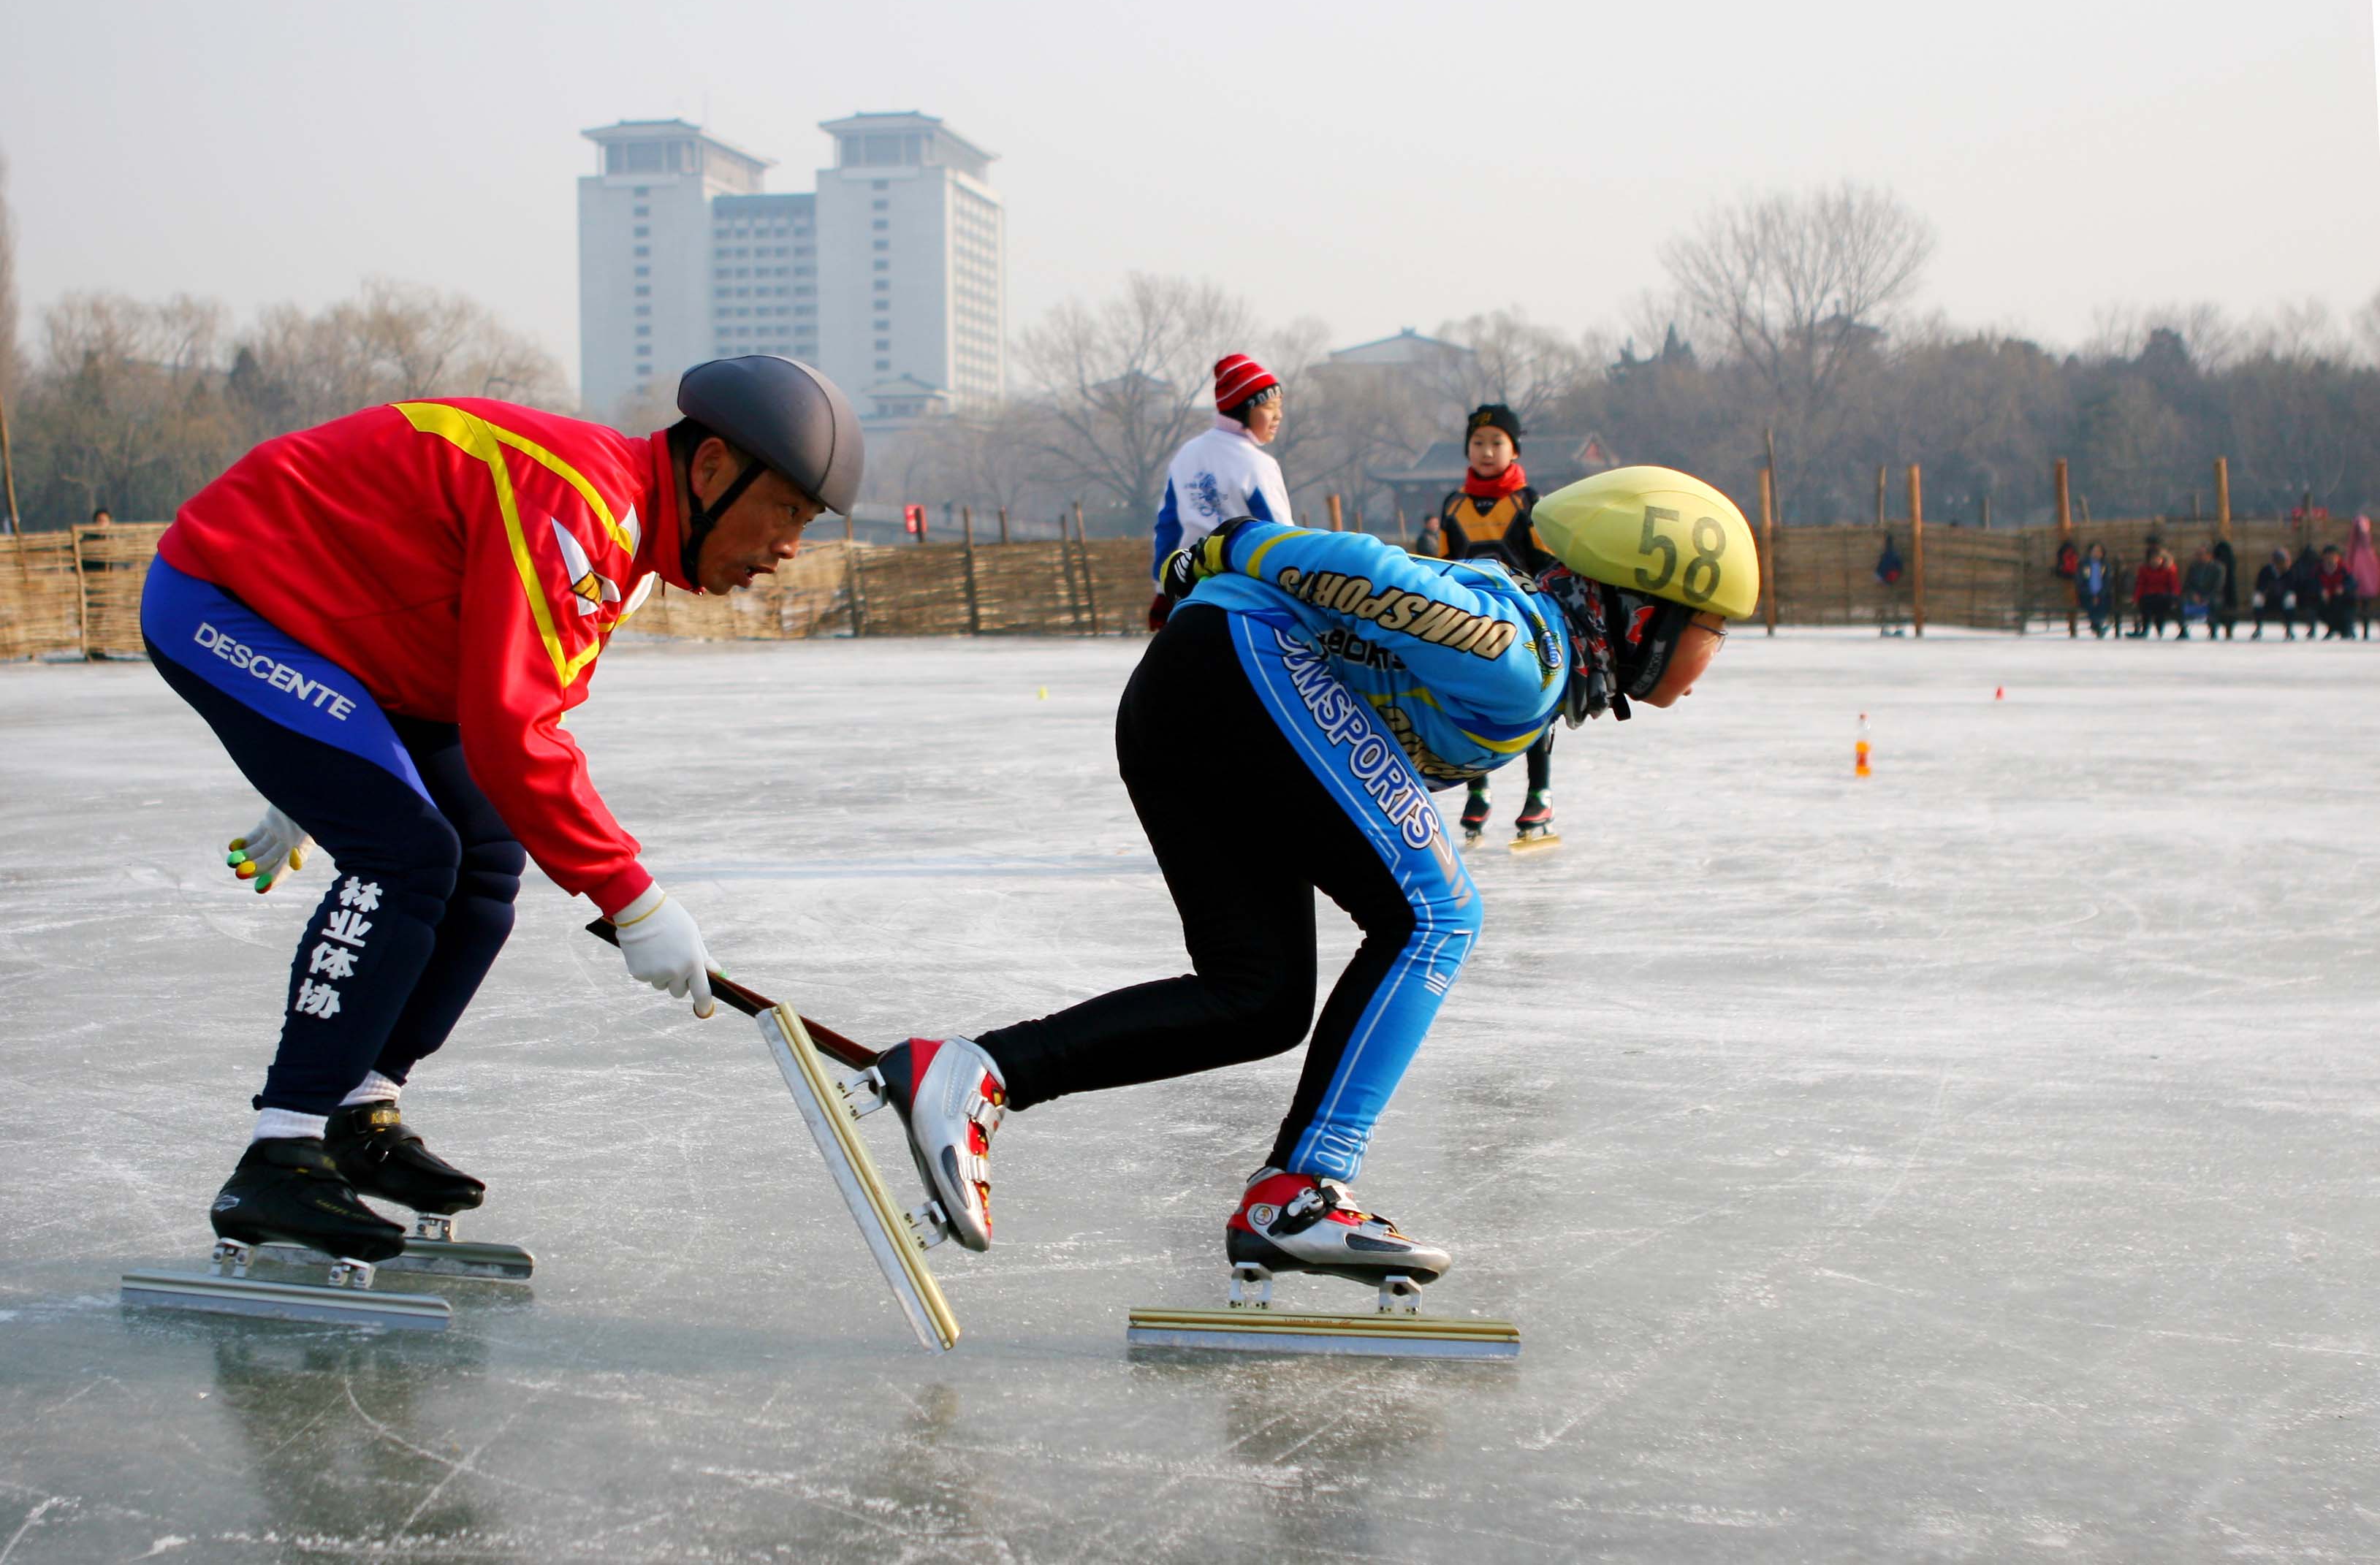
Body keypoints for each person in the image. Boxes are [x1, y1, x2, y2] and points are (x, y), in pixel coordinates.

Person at [861, 466, 1753, 1293]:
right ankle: (1304, 1186)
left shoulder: (1534, 657)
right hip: (1233, 671)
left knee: (1259, 996)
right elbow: (1365, 570)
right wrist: (1221, 548)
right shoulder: (1516, 656)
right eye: (1713, 629)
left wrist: (1211, 574)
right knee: (1438, 914)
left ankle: (974, 1071)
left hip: (1194, 698)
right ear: (1642, 616)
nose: (1714, 655)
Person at [141, 356, 864, 1265]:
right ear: (712, 467)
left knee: (483, 858)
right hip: (225, 598)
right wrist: (631, 897)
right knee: (406, 855)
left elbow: (525, 713)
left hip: (367, 653)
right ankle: (279, 1151)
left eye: (806, 521)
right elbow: (510, 730)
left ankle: (360, 1110)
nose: (790, 544)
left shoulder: (626, 546)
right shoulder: (579, 506)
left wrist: (330, 763)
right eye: (786, 509)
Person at [1438, 403, 1556, 845]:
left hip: (1523, 622)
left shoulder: (1528, 502)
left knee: (1536, 702)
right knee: (1468, 701)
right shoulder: (1454, 504)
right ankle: (1478, 790)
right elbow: (1441, 564)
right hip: (1467, 620)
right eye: (1478, 442)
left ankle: (1539, 793)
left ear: (1514, 449)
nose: (1486, 452)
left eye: (1496, 443)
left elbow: (1546, 563)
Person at [1147, 354, 1292, 631]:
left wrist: (1162, 590)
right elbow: (1281, 537)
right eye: (1269, 407)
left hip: (1190, 590)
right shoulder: (1257, 464)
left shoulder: (1187, 454)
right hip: (1246, 594)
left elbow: (1168, 527)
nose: (1278, 416)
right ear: (1243, 410)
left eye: (1280, 406)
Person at [2131, 542, 2180, 637]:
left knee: (2161, 604)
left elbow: (2174, 585)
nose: (2155, 562)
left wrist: (2175, 597)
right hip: (2149, 595)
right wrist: (2136, 598)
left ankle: (2160, 627)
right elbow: (2140, 585)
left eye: (2157, 559)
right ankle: (2145, 629)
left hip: (2164, 596)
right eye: (2152, 559)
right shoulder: (2144, 570)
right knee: (2145, 603)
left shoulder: (2169, 569)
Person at [2251, 547, 2299, 639]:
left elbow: (2293, 588)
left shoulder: (2290, 572)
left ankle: (2289, 628)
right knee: (2257, 597)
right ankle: (2258, 628)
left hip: (2282, 601)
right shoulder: (2266, 571)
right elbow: (2259, 586)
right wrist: (2265, 591)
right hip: (2268, 600)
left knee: (2291, 598)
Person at [2179, 544, 2224, 639]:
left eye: (2201, 554)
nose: (2199, 556)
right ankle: (2183, 630)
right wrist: (2193, 595)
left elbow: (2218, 586)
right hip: (2194, 596)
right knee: (2179, 602)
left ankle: (2213, 631)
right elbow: (2188, 584)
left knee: (2214, 603)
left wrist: (2206, 598)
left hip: (2211, 596)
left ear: (2209, 555)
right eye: (2197, 554)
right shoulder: (2193, 567)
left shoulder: (2218, 568)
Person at [2315, 544, 2357, 639]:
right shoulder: (2319, 570)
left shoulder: (2344, 569)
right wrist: (2321, 590)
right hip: (2326, 600)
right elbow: (2313, 583)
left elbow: (2353, 583)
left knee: (2345, 607)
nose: (2330, 559)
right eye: (2327, 557)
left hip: (2342, 599)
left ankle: (2346, 629)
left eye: (2333, 556)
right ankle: (2333, 628)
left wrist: (2343, 588)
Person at [2347, 516, 2379, 640]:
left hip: (2360, 585)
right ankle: (2360, 630)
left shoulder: (2359, 551)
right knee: (2362, 605)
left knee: (2362, 606)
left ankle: (2360, 630)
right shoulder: (2366, 551)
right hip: (2362, 585)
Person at [2075, 541, 2115, 637]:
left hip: (2103, 595)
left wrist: (2098, 594)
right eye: (2094, 551)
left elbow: (2107, 583)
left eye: (2099, 551)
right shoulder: (2084, 565)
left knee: (2103, 602)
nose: (2096, 553)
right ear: (2090, 552)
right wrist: (2092, 594)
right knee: (2091, 603)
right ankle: (2097, 626)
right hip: (2087, 594)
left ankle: (2097, 626)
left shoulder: (2106, 566)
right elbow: (2080, 582)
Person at [1876, 534, 1908, 636]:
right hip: (1894, 582)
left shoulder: (1886, 555)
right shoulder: (1895, 555)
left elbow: (1880, 568)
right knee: (1895, 607)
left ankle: (1886, 627)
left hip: (1886, 583)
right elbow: (1900, 567)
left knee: (1887, 606)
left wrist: (1880, 578)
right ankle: (1897, 627)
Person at [2212, 539, 2239, 639]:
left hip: (2226, 593)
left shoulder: (2223, 567)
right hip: (2222, 594)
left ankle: (2225, 629)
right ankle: (2226, 629)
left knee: (2228, 607)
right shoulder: (2228, 565)